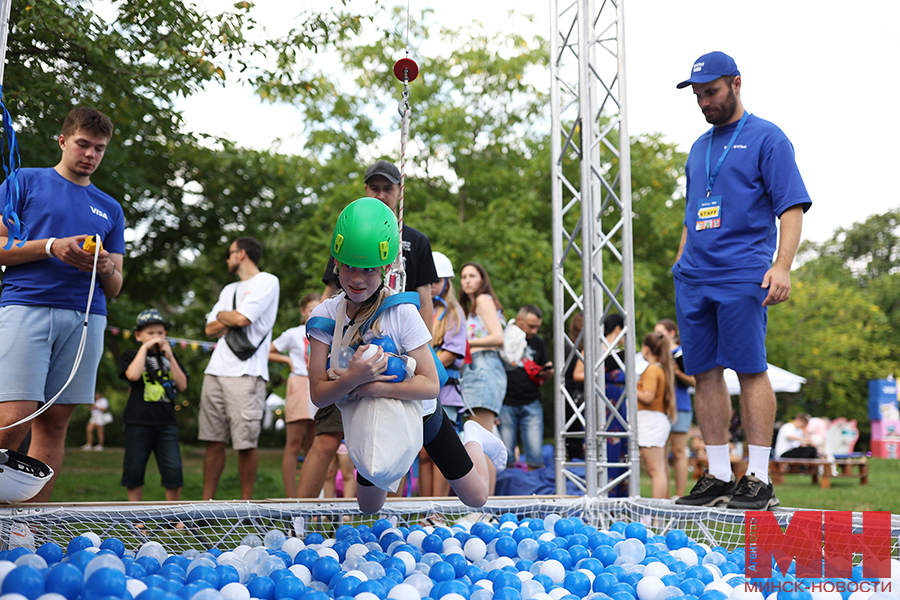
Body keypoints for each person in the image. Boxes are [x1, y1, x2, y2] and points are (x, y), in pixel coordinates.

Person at [672, 52, 812, 510]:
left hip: (743, 271)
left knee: (750, 368)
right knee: (703, 373)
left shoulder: (768, 138)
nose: (704, 102)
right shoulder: (698, 147)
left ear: (735, 83)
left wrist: (782, 265)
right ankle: (715, 474)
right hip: (694, 275)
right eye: (697, 95)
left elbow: (790, 207)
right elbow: (693, 212)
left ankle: (757, 477)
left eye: (710, 92)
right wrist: (680, 261)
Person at [306, 198, 504, 513]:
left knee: (476, 497)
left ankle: (475, 439)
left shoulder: (400, 311)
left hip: (422, 415)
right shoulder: (325, 316)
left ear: (386, 267)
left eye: (369, 269)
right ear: (336, 261)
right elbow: (318, 394)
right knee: (369, 506)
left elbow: (430, 385)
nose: (357, 279)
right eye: (349, 267)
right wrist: (356, 377)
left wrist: (371, 384)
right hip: (373, 421)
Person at [0, 107, 124, 502]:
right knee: (13, 418)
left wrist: (105, 265)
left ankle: (28, 525)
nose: (90, 154)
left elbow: (117, 285)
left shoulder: (111, 207)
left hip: (87, 318)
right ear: (63, 140)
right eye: (83, 144)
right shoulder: (24, 181)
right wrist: (52, 247)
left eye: (98, 149)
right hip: (27, 306)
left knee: (54, 425)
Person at [296, 160, 439, 500]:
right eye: (374, 188)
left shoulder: (415, 241)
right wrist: (322, 329)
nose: (381, 194)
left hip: (393, 350)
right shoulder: (350, 235)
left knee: (395, 437)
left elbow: (423, 298)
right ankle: (297, 517)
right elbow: (335, 292)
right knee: (327, 437)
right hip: (343, 354)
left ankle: (391, 512)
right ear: (365, 190)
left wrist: (422, 346)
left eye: (387, 188)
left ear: (399, 191)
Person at [200, 236, 280, 500]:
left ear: (242, 253)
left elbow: (243, 318)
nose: (227, 258)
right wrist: (229, 317)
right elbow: (209, 329)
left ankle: (246, 504)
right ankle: (206, 504)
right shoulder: (228, 290)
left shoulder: (268, 281)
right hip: (215, 371)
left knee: (245, 443)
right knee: (213, 440)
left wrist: (225, 316)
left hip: (246, 373)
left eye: (229, 253)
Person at [119, 308, 189, 501]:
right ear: (138, 335)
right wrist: (144, 349)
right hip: (137, 422)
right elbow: (132, 375)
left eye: (160, 333)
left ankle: (174, 518)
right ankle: (137, 519)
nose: (156, 337)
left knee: (173, 470)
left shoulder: (169, 358)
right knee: (134, 469)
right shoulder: (130, 355)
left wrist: (171, 357)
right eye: (150, 333)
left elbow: (182, 384)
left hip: (167, 422)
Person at [420, 251, 471, 497]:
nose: (431, 286)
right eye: (428, 281)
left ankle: (436, 509)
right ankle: (422, 508)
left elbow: (451, 352)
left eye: (436, 282)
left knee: (440, 452)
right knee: (421, 454)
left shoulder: (453, 312)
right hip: (420, 391)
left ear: (447, 282)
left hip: (446, 392)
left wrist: (424, 370)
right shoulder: (417, 309)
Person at [269, 292, 321, 497]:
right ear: (303, 311)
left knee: (314, 445)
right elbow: (269, 351)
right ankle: (290, 498)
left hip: (318, 385)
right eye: (311, 310)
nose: (314, 313)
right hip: (299, 383)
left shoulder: (325, 332)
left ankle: (307, 497)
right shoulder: (293, 333)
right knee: (293, 444)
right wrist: (289, 361)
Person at [499, 305, 553, 470]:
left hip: (531, 401)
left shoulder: (538, 342)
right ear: (520, 320)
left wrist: (548, 372)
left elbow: (544, 365)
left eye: (537, 326)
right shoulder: (504, 338)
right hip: (506, 401)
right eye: (531, 326)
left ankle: (536, 491)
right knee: (504, 457)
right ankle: (507, 491)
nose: (534, 330)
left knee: (536, 457)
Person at [459, 262, 507, 433]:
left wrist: (464, 344)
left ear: (482, 280)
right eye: (464, 277)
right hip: (478, 368)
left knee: (478, 437)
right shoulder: (471, 307)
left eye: (472, 276)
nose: (467, 281)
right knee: (479, 436)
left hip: (485, 365)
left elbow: (498, 337)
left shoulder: (482, 300)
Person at [654, 318, 695, 498]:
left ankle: (679, 496)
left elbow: (694, 381)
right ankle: (664, 496)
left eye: (660, 333)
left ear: (671, 333)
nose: (657, 336)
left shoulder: (683, 352)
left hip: (680, 406)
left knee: (678, 452)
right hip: (659, 408)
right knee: (661, 452)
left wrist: (677, 371)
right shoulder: (655, 354)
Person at [637, 332, 677, 499]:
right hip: (655, 420)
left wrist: (631, 387)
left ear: (646, 349)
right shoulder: (661, 368)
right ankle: (657, 515)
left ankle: (655, 516)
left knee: (656, 471)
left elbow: (648, 396)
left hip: (650, 421)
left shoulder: (653, 369)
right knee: (659, 470)